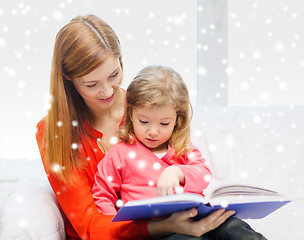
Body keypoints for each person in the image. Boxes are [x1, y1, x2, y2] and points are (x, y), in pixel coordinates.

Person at [35, 14, 246, 239]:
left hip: (182, 220)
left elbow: (183, 158)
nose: (107, 91)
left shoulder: (146, 109)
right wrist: (167, 227)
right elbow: (90, 225)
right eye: (91, 84)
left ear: (121, 61)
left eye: (114, 75)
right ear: (68, 79)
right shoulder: (54, 133)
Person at [92, 65, 268, 240]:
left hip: (196, 216)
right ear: (130, 113)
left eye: (164, 124)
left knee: (232, 225)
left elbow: (204, 175)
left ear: (177, 119)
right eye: (144, 121)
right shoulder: (120, 154)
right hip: (158, 232)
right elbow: (102, 195)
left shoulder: (182, 148)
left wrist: (177, 171)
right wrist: (118, 231)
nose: (153, 131)